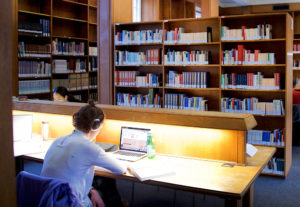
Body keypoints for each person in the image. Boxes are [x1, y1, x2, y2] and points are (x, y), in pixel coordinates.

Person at [41, 101, 127, 207]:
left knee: (101, 185)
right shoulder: (88, 147)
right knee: (109, 188)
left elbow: (65, 177)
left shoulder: (57, 141)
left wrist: (91, 190)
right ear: (96, 126)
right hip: (72, 203)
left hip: (49, 201)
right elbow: (121, 169)